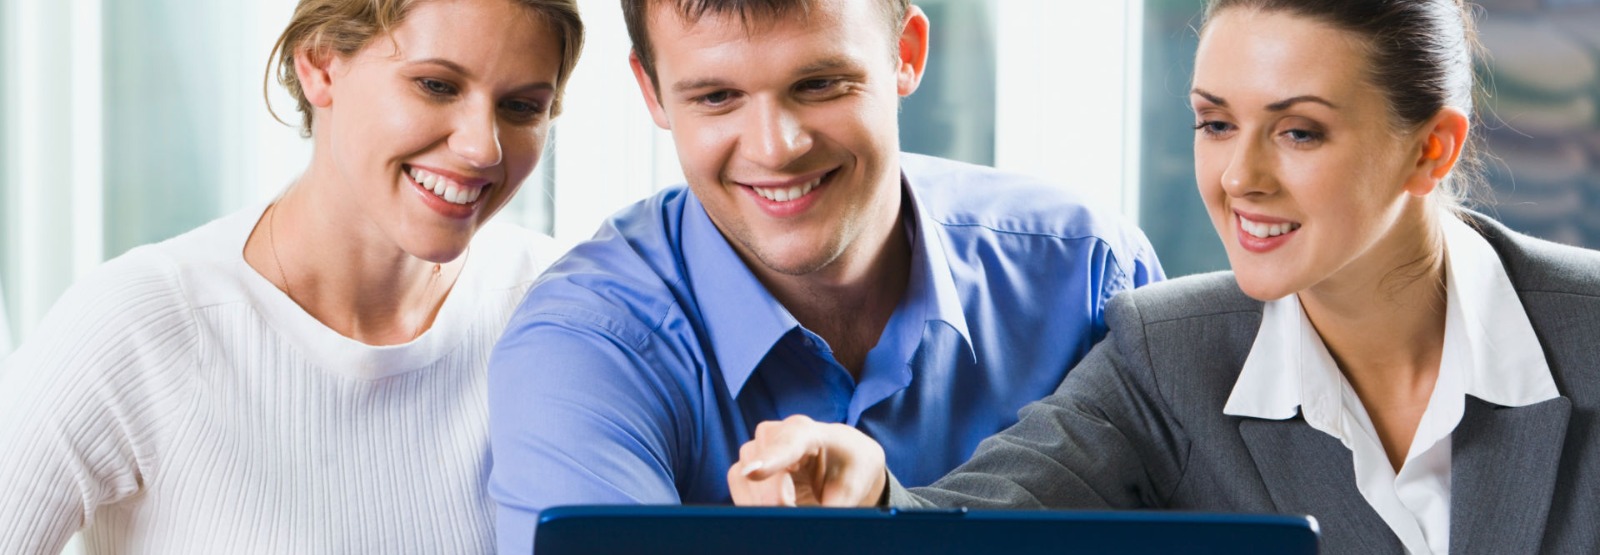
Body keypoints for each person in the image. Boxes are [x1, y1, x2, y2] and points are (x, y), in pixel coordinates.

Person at [727, 1, 1600, 554]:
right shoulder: (1167, 352)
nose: (1239, 177)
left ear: (1431, 147)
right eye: (1215, 124)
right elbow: (962, 530)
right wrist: (868, 489)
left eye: (1298, 132)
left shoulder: (1586, 330)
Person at [485, 0, 1163, 551]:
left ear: (907, 54)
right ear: (652, 91)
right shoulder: (584, 345)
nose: (776, 147)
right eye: (718, 97)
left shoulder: (1090, 274)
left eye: (819, 84)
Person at [0, 0, 582, 553]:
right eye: (437, 85)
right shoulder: (144, 323)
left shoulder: (559, 310)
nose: (483, 147)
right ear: (321, 62)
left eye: (522, 107)